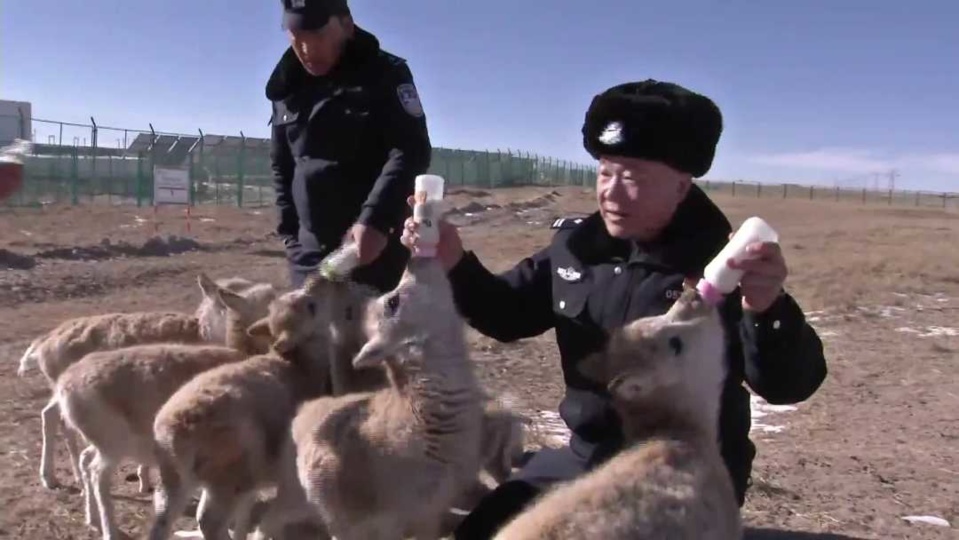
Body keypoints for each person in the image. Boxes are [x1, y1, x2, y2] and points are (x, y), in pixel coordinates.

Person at [400, 79, 828, 539]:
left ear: (682, 185)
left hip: (681, 471)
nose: (612, 193)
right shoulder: (578, 247)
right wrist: (455, 263)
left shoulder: (722, 265)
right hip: (588, 457)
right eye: (606, 173)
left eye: (635, 178)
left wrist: (766, 307)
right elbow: (508, 315)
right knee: (488, 527)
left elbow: (787, 386)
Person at [267, 0, 432, 292]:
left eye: (316, 35)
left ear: (346, 24)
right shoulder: (286, 86)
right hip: (308, 259)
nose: (306, 49)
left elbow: (410, 149)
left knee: (376, 335)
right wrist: (290, 237)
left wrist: (377, 221)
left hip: (374, 255)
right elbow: (282, 165)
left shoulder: (384, 73)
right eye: (296, 36)